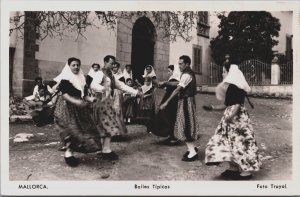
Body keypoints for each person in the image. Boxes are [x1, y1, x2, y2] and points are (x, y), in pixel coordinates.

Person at [204, 60, 261, 180]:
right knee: (230, 142)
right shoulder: (231, 87)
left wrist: (230, 117)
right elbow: (228, 105)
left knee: (240, 143)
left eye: (224, 71)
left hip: (237, 119)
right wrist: (213, 108)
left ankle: (246, 172)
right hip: (231, 118)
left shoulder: (236, 87)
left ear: (230, 73)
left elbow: (237, 105)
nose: (222, 74)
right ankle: (233, 168)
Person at [90, 55, 143, 160]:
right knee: (108, 125)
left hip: (107, 104)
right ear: (105, 62)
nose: (113, 65)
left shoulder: (110, 75)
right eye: (111, 63)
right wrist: (104, 88)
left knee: (106, 126)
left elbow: (122, 86)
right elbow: (93, 84)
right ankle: (105, 150)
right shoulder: (100, 73)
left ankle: (104, 149)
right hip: (101, 104)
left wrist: (136, 92)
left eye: (114, 63)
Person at [53, 57, 102, 167]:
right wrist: (76, 102)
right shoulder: (65, 78)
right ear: (69, 66)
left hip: (79, 107)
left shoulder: (81, 78)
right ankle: (68, 154)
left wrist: (90, 99)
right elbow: (65, 95)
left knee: (84, 129)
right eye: (73, 65)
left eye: (77, 65)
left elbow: (83, 95)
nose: (76, 67)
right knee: (71, 130)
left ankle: (75, 150)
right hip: (66, 107)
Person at [160, 55, 200, 162]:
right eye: (179, 64)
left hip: (186, 102)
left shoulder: (186, 74)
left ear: (187, 64)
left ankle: (192, 152)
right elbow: (178, 83)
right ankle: (192, 148)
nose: (179, 66)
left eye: (181, 64)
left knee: (186, 124)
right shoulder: (188, 73)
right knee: (186, 123)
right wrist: (166, 83)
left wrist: (166, 102)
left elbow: (177, 89)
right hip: (187, 101)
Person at [148, 65, 181, 145]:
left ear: (174, 71)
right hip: (168, 98)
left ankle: (172, 136)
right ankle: (170, 135)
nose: (168, 73)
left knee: (168, 116)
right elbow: (167, 88)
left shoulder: (176, 79)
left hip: (172, 100)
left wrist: (165, 83)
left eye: (169, 71)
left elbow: (174, 85)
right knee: (166, 116)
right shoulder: (172, 79)